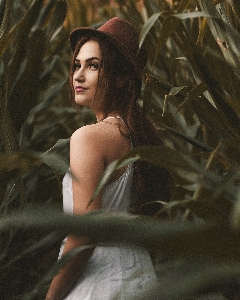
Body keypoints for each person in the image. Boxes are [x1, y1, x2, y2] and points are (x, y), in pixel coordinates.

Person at [46, 17, 170, 300]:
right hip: (140, 277)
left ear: (121, 77)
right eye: (77, 65)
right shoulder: (136, 137)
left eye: (93, 65)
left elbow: (85, 234)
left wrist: (51, 296)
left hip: (98, 284)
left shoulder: (88, 137)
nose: (78, 75)